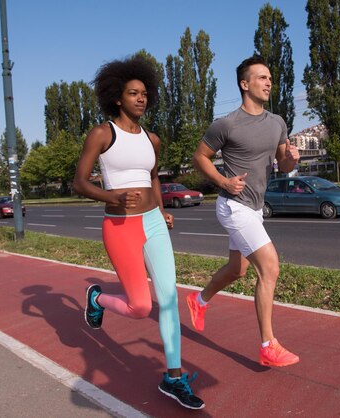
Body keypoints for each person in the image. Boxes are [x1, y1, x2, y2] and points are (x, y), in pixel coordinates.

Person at [73, 55, 204, 410]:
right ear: (118, 97)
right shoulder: (102, 134)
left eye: (145, 93)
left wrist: (161, 211)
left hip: (153, 223)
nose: (141, 99)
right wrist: (110, 195)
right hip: (119, 226)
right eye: (133, 93)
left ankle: (174, 377)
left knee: (168, 299)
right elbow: (79, 182)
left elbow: (152, 178)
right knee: (139, 306)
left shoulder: (153, 139)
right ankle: (96, 298)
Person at [188, 55, 301, 367]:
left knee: (237, 270)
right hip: (233, 206)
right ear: (244, 84)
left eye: (269, 77)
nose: (268, 82)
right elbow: (200, 157)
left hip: (255, 209)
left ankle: (197, 300)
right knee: (270, 268)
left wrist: (293, 158)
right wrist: (223, 180)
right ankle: (268, 345)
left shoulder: (277, 122)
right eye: (262, 77)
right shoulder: (226, 125)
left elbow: (284, 165)